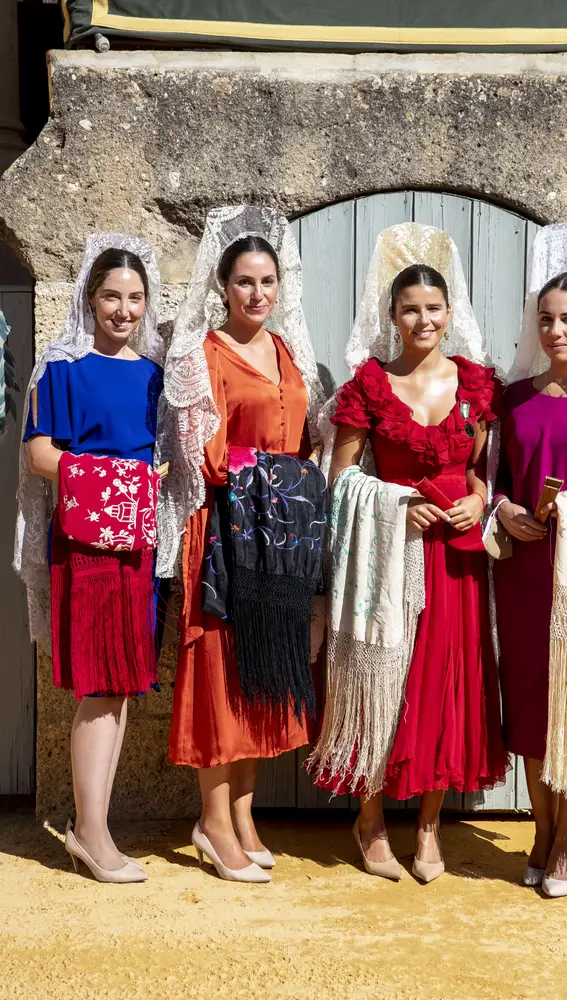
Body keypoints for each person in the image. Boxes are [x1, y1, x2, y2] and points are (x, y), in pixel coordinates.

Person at [309, 223, 509, 883]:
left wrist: (480, 499)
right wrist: (395, 505)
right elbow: (340, 481)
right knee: (380, 687)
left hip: (456, 560)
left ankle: (426, 827)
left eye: (433, 308)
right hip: (389, 561)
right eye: (409, 309)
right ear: (390, 317)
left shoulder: (478, 385)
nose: (422, 318)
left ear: (449, 314)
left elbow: (484, 472)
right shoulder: (367, 386)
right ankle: (368, 820)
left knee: (445, 686)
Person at [158, 206, 325, 883]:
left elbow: (304, 438)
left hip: (276, 535)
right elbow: (202, 452)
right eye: (244, 282)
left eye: (267, 282)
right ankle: (212, 822)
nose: (257, 294)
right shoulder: (205, 356)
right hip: (228, 533)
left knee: (260, 675)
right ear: (222, 287)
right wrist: (275, 473)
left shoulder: (285, 351)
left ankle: (245, 814)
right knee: (223, 676)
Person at [16, 234, 164, 883]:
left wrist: (145, 486)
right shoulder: (62, 369)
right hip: (85, 547)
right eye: (111, 295)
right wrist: (108, 482)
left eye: (134, 297)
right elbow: (39, 453)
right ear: (90, 297)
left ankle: (91, 829)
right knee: (99, 686)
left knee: (122, 684)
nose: (123, 309)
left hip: (135, 547)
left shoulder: (156, 375)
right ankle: (92, 835)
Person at [493, 223, 567, 898]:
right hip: (523, 571)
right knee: (530, 700)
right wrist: (504, 513)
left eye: (566, 319)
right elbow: (491, 483)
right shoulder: (512, 397)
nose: (555, 331)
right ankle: (541, 830)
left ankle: (566, 840)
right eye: (545, 319)